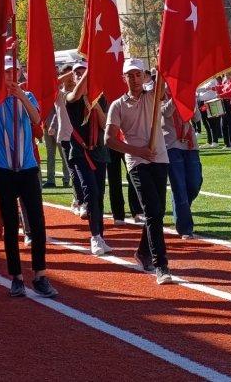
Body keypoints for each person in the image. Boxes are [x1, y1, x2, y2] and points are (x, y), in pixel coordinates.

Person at [0, 57, 58, 298]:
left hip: (27, 168)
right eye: (7, 73)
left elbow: (37, 120)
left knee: (37, 224)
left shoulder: (27, 97)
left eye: (14, 72)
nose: (11, 77)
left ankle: (40, 274)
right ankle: (16, 277)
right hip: (3, 169)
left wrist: (20, 97)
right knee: (10, 225)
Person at [105, 58, 173, 284]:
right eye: (130, 75)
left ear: (145, 76)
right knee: (153, 211)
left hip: (160, 158)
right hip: (137, 162)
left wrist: (162, 61)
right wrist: (138, 151)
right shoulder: (118, 106)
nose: (134, 79)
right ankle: (160, 265)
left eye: (138, 74)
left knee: (158, 211)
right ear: (123, 78)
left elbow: (164, 88)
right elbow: (109, 140)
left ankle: (142, 252)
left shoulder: (153, 97)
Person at [62, 64, 114, 256]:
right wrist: (92, 67)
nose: (79, 75)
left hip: (99, 152)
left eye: (82, 71)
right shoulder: (70, 98)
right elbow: (75, 95)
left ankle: (100, 235)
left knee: (99, 195)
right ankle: (95, 237)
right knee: (90, 191)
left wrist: (94, 103)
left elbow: (104, 124)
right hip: (80, 153)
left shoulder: (100, 98)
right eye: (76, 73)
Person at [163, 90, 202, 238]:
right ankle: (185, 227)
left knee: (195, 183)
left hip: (190, 144)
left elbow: (197, 118)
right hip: (171, 145)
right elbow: (165, 113)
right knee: (179, 186)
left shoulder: (188, 94)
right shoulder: (158, 92)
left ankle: (181, 209)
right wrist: (176, 97)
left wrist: (191, 100)